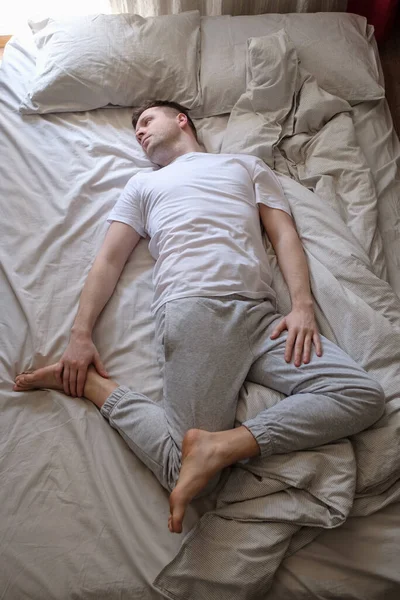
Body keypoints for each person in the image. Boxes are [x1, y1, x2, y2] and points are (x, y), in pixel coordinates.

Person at [13, 100, 385, 535]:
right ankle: (98, 388)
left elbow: (283, 234)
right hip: (196, 310)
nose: (140, 132)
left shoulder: (243, 165)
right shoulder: (142, 185)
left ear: (181, 119)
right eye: (135, 130)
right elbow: (108, 262)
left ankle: (221, 445)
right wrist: (81, 335)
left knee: (362, 395)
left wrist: (301, 305)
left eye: (147, 120)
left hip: (263, 318)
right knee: (181, 472)